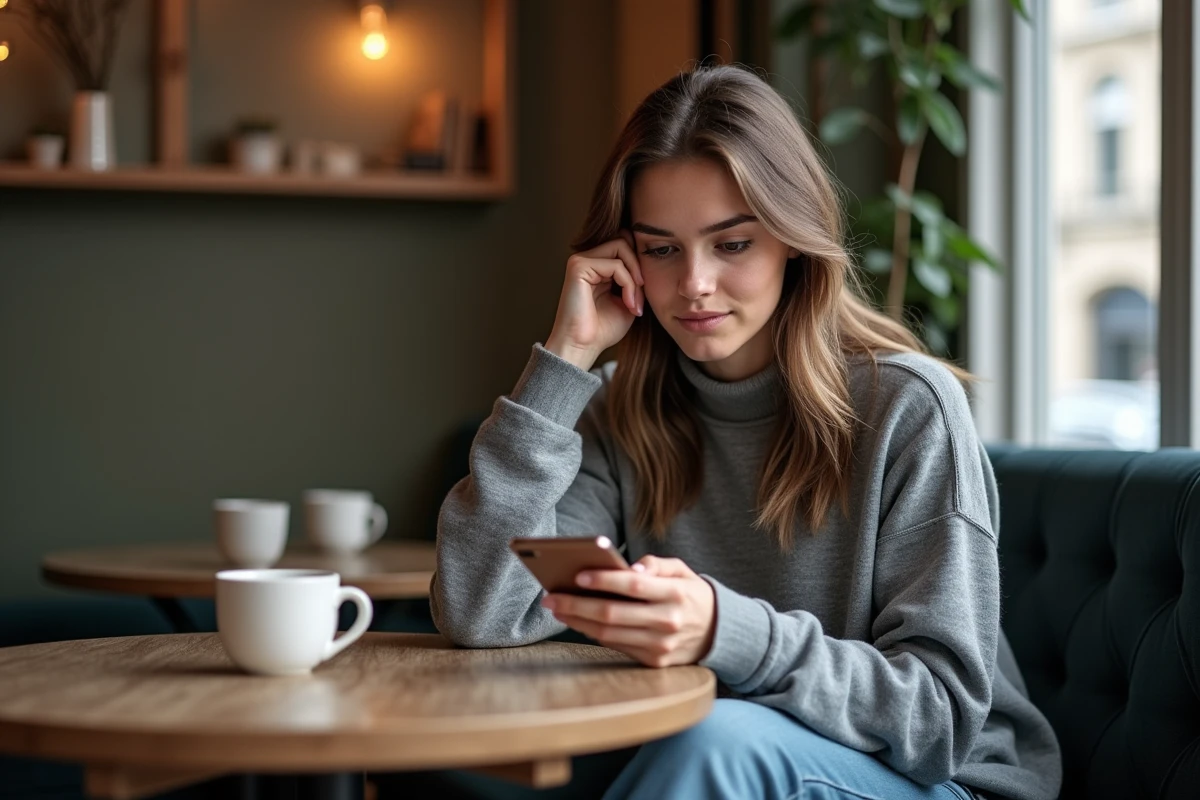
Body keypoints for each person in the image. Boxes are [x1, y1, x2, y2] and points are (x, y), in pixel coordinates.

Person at [430, 65, 1062, 800]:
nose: (693, 283)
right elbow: (483, 611)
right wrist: (566, 358)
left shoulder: (910, 407)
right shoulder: (616, 409)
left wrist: (721, 630)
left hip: (941, 782)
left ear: (792, 240)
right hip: (727, 762)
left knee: (716, 744)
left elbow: (939, 717)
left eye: (732, 244)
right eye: (661, 249)